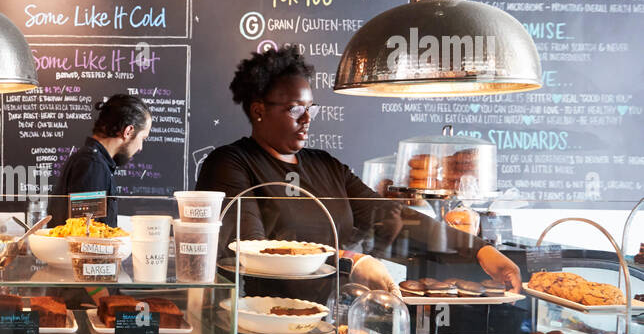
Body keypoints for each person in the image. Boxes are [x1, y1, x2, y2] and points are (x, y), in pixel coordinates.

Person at [194, 46, 521, 292]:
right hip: (257, 332)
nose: (307, 119)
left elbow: (391, 216)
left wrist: (479, 250)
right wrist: (351, 262)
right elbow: (252, 250)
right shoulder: (229, 164)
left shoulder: (325, 165)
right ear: (258, 111)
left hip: (328, 327)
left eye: (311, 109)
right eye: (296, 109)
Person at [48, 94, 152, 227]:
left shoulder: (90, 161)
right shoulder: (93, 166)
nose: (140, 148)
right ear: (128, 131)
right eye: (143, 138)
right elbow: (85, 233)